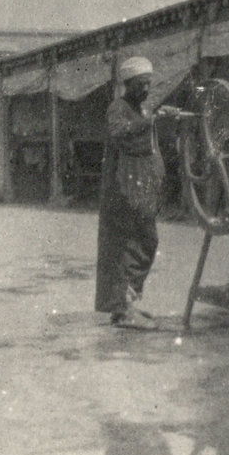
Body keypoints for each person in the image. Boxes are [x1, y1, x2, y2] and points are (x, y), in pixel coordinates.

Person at [94, 56, 179, 330]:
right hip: (123, 190)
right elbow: (120, 134)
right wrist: (152, 120)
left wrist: (159, 118)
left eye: (148, 84)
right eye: (140, 84)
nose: (145, 90)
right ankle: (122, 308)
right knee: (125, 246)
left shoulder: (141, 109)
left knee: (145, 242)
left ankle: (127, 302)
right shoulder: (117, 108)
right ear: (127, 84)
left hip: (142, 190)